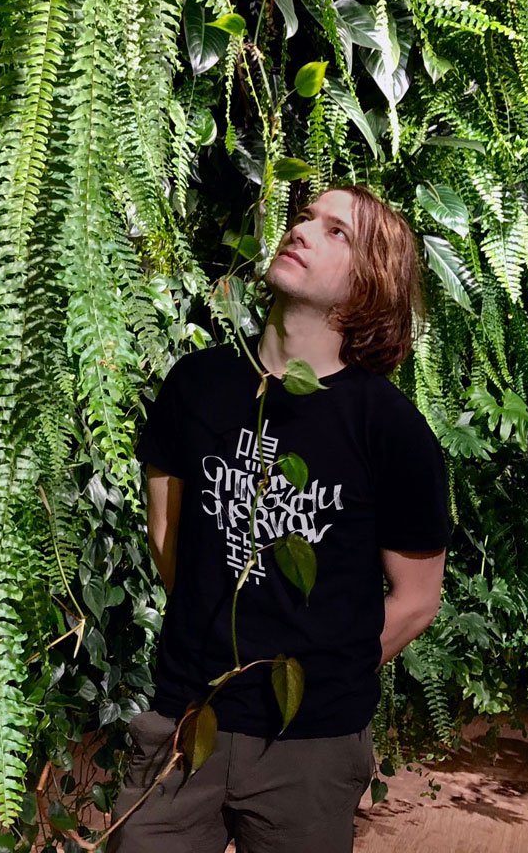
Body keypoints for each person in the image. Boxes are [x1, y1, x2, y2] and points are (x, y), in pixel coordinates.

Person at [109, 184, 452, 853]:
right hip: (186, 723)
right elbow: (167, 539)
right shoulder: (197, 385)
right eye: (304, 218)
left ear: (369, 283)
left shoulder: (391, 430)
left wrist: (326, 675)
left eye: (336, 233)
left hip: (311, 746)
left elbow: (415, 602)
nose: (301, 231)